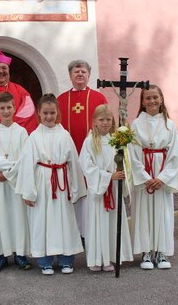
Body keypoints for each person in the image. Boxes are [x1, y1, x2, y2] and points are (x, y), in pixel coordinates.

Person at [15, 94, 86, 275]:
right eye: (45, 113)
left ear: (57, 113)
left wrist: (76, 188)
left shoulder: (64, 135)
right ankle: (45, 260)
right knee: (43, 220)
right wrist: (28, 192)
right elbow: (27, 165)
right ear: (39, 113)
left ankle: (66, 259)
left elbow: (74, 163)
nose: (49, 116)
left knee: (64, 220)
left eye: (52, 113)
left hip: (62, 184)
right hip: (42, 184)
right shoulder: (33, 137)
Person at [128, 85, 178, 270]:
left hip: (161, 174)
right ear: (142, 102)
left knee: (162, 213)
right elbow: (133, 153)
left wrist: (163, 178)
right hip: (145, 175)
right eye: (148, 98)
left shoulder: (169, 124)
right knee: (143, 213)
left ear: (161, 99)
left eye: (155, 97)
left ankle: (161, 251)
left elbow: (174, 154)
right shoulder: (136, 124)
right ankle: (146, 252)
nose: (152, 101)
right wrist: (144, 177)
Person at [57, 60, 108, 240]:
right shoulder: (61, 100)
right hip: (69, 155)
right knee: (74, 191)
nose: (80, 74)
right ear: (70, 76)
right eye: (76, 71)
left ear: (89, 75)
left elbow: (106, 124)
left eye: (83, 71)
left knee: (89, 192)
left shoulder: (98, 98)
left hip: (93, 154)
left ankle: (90, 233)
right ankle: (75, 233)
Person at [79, 104, 133, 272]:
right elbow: (86, 166)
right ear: (94, 121)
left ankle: (110, 257)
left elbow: (125, 161)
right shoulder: (89, 142)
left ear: (112, 121)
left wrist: (121, 171)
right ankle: (96, 258)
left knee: (111, 223)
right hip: (98, 192)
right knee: (98, 223)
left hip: (114, 190)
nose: (105, 123)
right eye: (101, 120)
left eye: (108, 119)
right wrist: (108, 176)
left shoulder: (116, 141)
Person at [0, 92, 31, 273]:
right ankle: (0, 255)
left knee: (17, 216)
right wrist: (0, 170)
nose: (6, 111)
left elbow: (24, 157)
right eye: (2, 108)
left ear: (14, 108)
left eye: (9, 107)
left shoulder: (22, 132)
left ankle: (20, 253)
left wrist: (9, 172)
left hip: (16, 182)